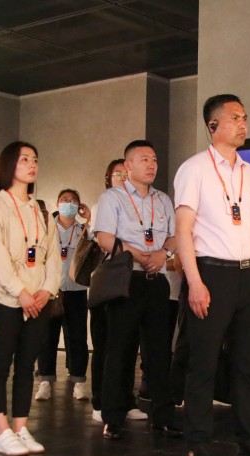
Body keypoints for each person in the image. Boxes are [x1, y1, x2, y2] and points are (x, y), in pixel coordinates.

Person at [174, 94, 250, 456]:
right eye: (235, 118)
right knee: (203, 363)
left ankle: (248, 439)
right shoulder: (194, 169)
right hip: (211, 273)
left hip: (248, 275)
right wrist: (194, 282)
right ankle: (198, 443)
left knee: (247, 363)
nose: (243, 124)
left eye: (245, 117)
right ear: (213, 126)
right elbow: (184, 230)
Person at [0, 141, 62, 455]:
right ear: (9, 164)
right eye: (24, 159)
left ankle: (20, 427)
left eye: (35, 159)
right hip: (8, 298)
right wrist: (21, 292)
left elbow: (53, 257)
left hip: (39, 299)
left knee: (27, 366)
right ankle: (1, 431)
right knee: (1, 364)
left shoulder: (41, 209)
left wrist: (47, 290)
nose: (32, 164)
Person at [93, 140, 179, 440]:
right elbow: (104, 238)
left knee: (159, 352)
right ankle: (113, 416)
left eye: (154, 159)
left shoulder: (163, 200)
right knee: (120, 350)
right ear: (128, 165)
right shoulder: (112, 197)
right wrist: (138, 255)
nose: (152, 165)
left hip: (156, 281)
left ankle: (163, 416)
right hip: (125, 280)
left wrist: (163, 254)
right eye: (144, 159)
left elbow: (174, 237)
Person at [89, 160, 148, 423]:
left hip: (132, 281)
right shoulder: (102, 205)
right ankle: (100, 401)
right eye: (117, 174)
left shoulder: (138, 205)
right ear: (107, 178)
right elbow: (105, 243)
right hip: (108, 282)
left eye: (125, 174)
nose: (122, 178)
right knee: (105, 345)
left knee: (128, 344)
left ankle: (126, 400)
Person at [34, 188, 92, 401]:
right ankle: (45, 381)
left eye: (73, 200)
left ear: (79, 206)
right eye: (64, 200)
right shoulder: (46, 228)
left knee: (77, 338)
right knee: (47, 337)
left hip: (76, 289)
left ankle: (78, 381)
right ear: (57, 204)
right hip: (50, 290)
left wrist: (90, 218)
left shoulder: (84, 229)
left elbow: (98, 244)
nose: (69, 203)